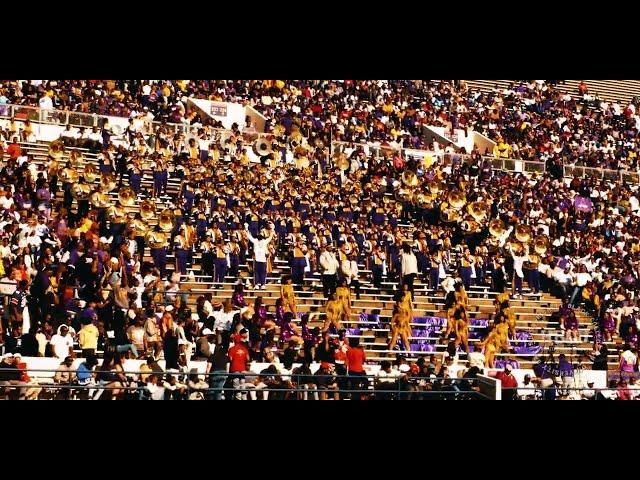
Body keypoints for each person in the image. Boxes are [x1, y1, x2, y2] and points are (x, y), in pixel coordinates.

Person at [245, 224, 273, 290]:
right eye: (259, 236)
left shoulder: (264, 242)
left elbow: (270, 237)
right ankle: (257, 284)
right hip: (257, 260)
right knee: (256, 273)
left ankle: (263, 284)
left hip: (263, 260)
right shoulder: (255, 241)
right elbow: (249, 236)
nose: (260, 237)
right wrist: (246, 229)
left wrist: (272, 230)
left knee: (263, 273)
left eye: (261, 236)